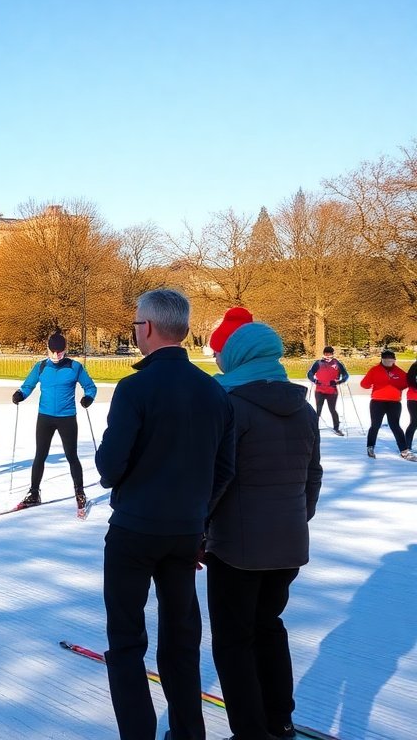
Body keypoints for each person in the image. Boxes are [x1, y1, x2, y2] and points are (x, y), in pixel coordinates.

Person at [95, 289, 235, 740]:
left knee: (126, 642)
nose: (135, 331)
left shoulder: (135, 388)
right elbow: (225, 469)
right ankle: (189, 733)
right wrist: (198, 515)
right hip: (185, 532)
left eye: (136, 324)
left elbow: (109, 468)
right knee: (181, 641)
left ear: (149, 328)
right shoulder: (213, 391)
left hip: (135, 529)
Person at [205, 312, 322, 740]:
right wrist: (295, 518)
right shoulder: (303, 408)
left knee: (233, 641)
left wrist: (199, 528)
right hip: (288, 544)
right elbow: (313, 475)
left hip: (237, 546)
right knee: (269, 627)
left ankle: (251, 732)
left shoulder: (231, 406)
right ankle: (279, 721)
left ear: (239, 355)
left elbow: (218, 477)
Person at [11, 329, 98, 512]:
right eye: (53, 351)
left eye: (59, 352)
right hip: (45, 417)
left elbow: (90, 386)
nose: (56, 355)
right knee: (40, 455)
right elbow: (28, 385)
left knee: (71, 456)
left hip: (67, 418)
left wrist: (88, 397)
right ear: (47, 349)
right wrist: (20, 394)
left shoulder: (75, 367)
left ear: (65, 350)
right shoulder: (41, 367)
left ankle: (80, 492)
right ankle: (34, 493)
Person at [359, 349, 415, 461]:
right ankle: (370, 446)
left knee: (395, 426)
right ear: (382, 359)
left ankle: (404, 451)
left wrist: (397, 386)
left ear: (394, 360)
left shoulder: (399, 372)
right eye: (385, 359)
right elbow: (364, 384)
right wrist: (375, 385)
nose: (388, 361)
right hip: (377, 402)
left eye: (390, 359)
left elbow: (409, 383)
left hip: (394, 403)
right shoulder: (374, 370)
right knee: (375, 425)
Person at [305, 345, 349, 436]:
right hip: (319, 390)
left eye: (329, 353)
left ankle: (336, 428)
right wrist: (314, 380)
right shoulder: (318, 363)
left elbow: (345, 375)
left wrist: (339, 381)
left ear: (332, 354)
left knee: (332, 410)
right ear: (324, 354)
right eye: (326, 353)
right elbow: (310, 373)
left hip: (332, 391)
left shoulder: (337, 363)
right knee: (318, 410)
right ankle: (314, 428)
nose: (327, 355)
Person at [407, 356, 417, 450]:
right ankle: (407, 446)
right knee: (414, 422)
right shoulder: (414, 367)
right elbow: (410, 382)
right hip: (414, 399)